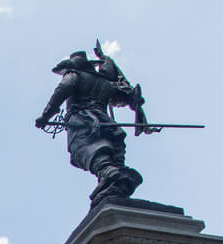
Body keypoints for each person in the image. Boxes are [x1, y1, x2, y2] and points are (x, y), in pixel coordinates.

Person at [35, 50, 143, 207]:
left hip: (84, 120)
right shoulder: (105, 82)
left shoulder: (74, 75)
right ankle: (115, 180)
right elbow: (124, 97)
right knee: (113, 152)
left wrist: (45, 116)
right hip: (107, 122)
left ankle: (111, 174)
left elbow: (62, 91)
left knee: (84, 149)